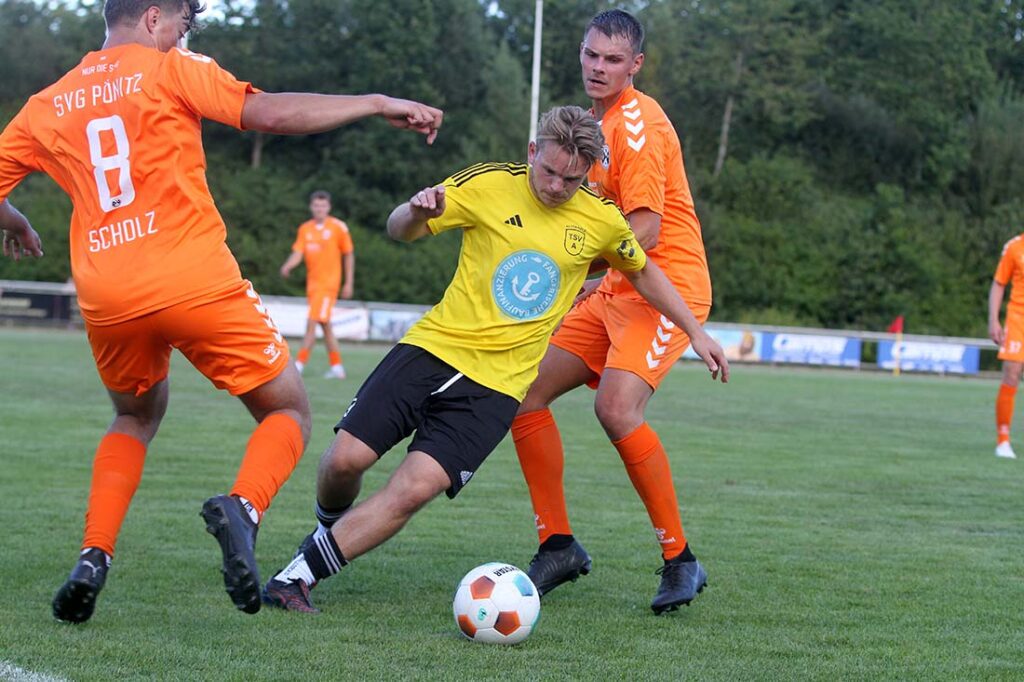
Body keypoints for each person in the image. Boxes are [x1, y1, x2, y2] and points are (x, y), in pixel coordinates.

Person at [0, 0, 442, 624]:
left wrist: (14, 217)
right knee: (287, 410)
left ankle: (94, 555)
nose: (183, 35)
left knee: (133, 417)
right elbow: (268, 112)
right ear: (155, 17)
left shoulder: (48, 102)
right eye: (183, 23)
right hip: (192, 278)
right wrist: (371, 101)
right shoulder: (171, 68)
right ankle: (244, 506)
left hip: (108, 294)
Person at [260, 105, 728, 613]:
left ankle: (297, 577)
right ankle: (332, 528)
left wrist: (695, 331)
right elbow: (400, 229)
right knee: (344, 461)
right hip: (431, 350)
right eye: (548, 171)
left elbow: (644, 273)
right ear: (532, 152)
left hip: (496, 388)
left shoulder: (600, 219)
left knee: (415, 487)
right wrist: (416, 211)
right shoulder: (487, 184)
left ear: (588, 173)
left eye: (571, 179)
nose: (555, 186)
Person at [510, 9, 716, 615]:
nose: (599, 68)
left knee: (616, 407)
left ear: (636, 65)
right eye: (591, 55)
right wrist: (592, 276)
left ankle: (680, 559)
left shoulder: (635, 124)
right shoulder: (594, 126)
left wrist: (576, 264)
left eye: (613, 59)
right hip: (618, 289)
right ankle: (558, 545)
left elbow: (647, 232)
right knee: (523, 393)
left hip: (666, 287)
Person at [280, 190, 355, 379]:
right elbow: (298, 252)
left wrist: (348, 283)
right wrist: (288, 265)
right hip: (313, 286)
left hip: (328, 286)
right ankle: (337, 368)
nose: (319, 209)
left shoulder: (338, 227)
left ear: (328, 207)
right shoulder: (305, 229)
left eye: (323, 205)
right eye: (316, 205)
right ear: (311, 207)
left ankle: (298, 365)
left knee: (311, 325)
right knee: (325, 326)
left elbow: (348, 254)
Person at [989, 234, 1024, 459]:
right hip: (1018, 317)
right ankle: (1003, 441)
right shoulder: (1014, 246)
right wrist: (993, 319)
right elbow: (999, 282)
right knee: (1011, 374)